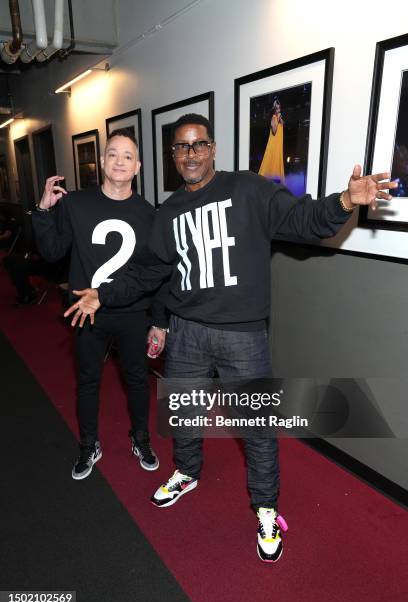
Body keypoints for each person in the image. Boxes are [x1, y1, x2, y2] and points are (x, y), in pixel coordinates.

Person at [64, 114, 398, 562]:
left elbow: (303, 221)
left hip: (243, 336)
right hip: (187, 332)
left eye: (198, 144)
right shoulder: (169, 211)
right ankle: (186, 472)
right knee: (184, 413)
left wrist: (343, 201)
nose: (190, 154)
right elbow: (150, 272)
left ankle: (265, 507)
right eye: (181, 148)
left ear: (213, 148)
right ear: (173, 157)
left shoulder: (249, 189)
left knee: (256, 427)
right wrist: (104, 293)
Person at [32, 128, 168, 481]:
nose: (119, 161)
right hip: (85, 313)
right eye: (112, 154)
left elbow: (156, 276)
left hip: (132, 313)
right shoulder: (75, 204)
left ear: (137, 166)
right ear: (102, 162)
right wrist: (43, 212)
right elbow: (51, 253)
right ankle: (89, 444)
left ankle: (140, 438)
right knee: (88, 381)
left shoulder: (149, 214)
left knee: (137, 380)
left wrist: (158, 320)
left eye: (127, 156)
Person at [258, 98, 285, 182]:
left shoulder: (279, 119)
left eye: (279, 108)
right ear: (274, 109)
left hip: (278, 146)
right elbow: (274, 131)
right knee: (270, 167)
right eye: (277, 108)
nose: (278, 110)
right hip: (274, 145)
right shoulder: (273, 118)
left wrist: (280, 118)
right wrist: (277, 118)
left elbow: (283, 125)